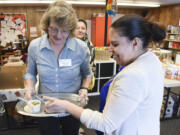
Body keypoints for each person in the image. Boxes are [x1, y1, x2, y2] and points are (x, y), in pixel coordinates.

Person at [44, 14, 166, 135]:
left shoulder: (133, 75)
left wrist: (67, 106)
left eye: (116, 44)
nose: (110, 49)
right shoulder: (152, 61)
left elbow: (106, 124)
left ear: (135, 43)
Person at [24, 0, 92, 135]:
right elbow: (30, 73)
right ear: (46, 26)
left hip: (73, 105)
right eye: (53, 29)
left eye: (64, 31)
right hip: (46, 105)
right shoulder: (35, 46)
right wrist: (29, 87)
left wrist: (84, 89)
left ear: (71, 30)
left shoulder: (81, 48)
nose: (58, 36)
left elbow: (87, 74)